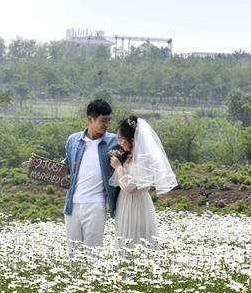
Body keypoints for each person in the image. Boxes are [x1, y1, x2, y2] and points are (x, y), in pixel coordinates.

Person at [31, 99, 119, 254]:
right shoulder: (73, 140)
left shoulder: (113, 141)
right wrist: (38, 165)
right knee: (73, 253)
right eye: (103, 120)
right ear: (90, 119)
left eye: (109, 120)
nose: (106, 124)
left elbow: (127, 157)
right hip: (72, 205)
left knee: (93, 253)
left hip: (96, 204)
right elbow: (65, 166)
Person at [109, 115, 177, 251]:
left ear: (132, 139)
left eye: (121, 139)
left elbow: (130, 188)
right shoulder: (130, 156)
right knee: (126, 240)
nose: (119, 142)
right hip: (125, 203)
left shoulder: (143, 159)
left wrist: (118, 168)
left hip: (136, 203)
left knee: (136, 239)